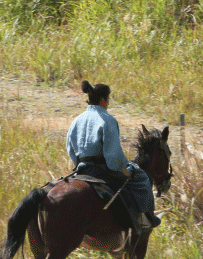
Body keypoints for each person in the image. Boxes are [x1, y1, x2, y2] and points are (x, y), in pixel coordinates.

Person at [66, 81, 161, 228]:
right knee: (142, 178)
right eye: (108, 100)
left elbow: (70, 148)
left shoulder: (76, 120)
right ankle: (147, 219)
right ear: (103, 100)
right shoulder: (107, 120)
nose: (108, 103)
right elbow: (113, 154)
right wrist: (125, 170)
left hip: (82, 169)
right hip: (102, 170)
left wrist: (78, 164)